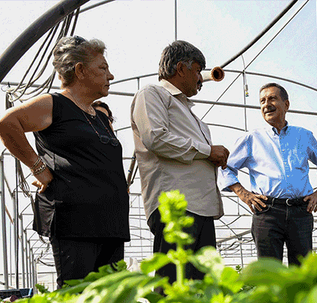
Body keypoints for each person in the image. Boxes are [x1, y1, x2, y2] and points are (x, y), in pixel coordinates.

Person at [0, 36, 130, 289]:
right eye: (103, 68)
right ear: (80, 71)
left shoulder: (100, 116)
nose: (111, 75)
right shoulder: (54, 104)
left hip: (111, 222)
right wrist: (38, 167)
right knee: (77, 300)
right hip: (76, 221)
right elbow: (7, 123)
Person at [131, 40, 229, 283]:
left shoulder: (190, 113)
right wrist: (207, 152)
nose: (201, 78)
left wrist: (212, 156)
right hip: (177, 206)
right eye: (197, 70)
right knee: (173, 284)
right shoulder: (153, 94)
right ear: (180, 68)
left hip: (201, 208)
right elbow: (156, 137)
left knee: (201, 287)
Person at [219, 83, 317, 266]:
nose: (266, 104)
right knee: (270, 272)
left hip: (300, 211)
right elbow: (225, 167)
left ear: (286, 104)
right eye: (262, 101)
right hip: (267, 211)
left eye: (272, 98)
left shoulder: (304, 136)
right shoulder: (252, 139)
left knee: (302, 273)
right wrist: (244, 194)